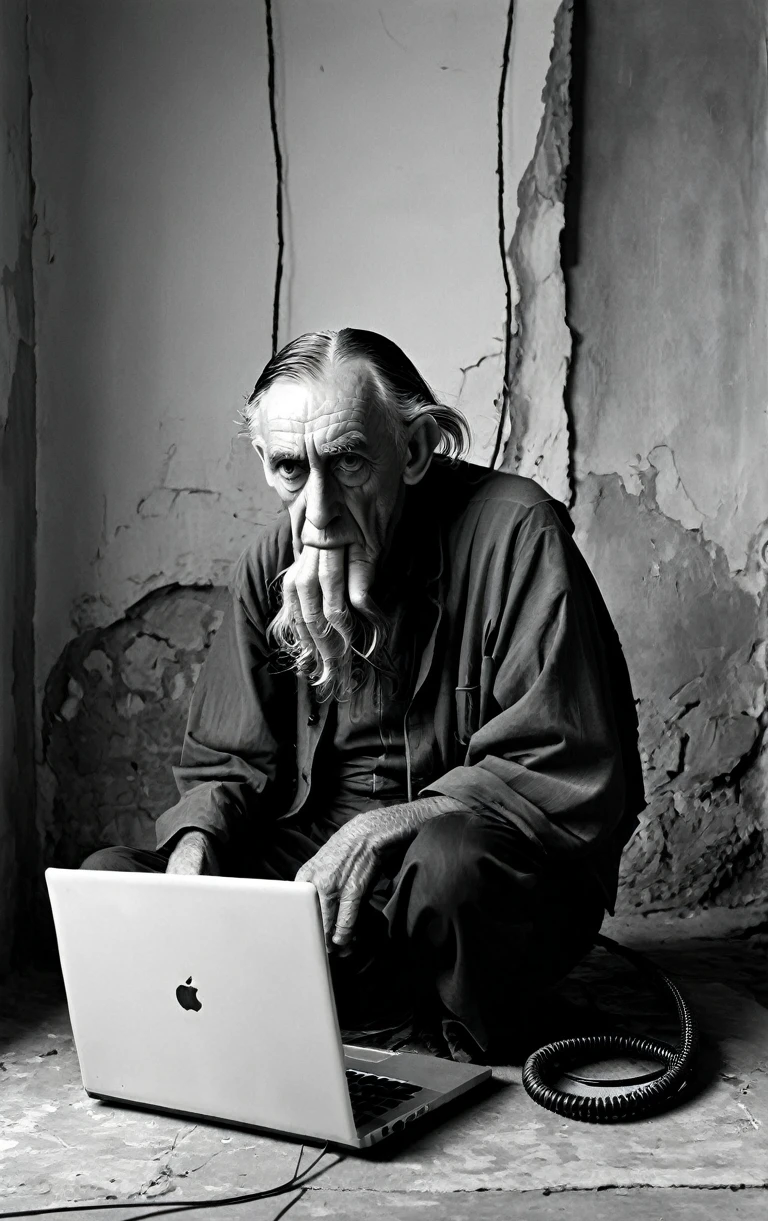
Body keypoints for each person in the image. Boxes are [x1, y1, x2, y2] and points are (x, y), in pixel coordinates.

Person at [83, 329, 645, 1063]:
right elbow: (225, 764)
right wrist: (194, 855)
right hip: (320, 871)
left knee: (449, 865)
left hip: (472, 871)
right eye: (290, 469)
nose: (319, 510)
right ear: (265, 464)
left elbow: (566, 760)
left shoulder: (516, 531)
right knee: (115, 883)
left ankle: (389, 1014)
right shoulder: (268, 566)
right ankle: (367, 1010)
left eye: (348, 461)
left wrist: (392, 825)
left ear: (413, 452)